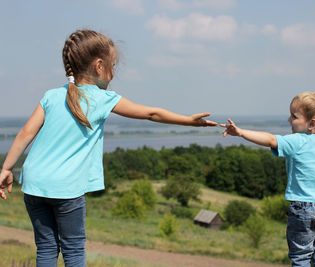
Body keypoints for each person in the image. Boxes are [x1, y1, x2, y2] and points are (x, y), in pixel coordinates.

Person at [0, 29, 217, 267]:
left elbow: (25, 134)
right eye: (113, 65)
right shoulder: (103, 99)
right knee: (73, 250)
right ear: (99, 65)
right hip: (66, 189)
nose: (114, 72)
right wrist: (187, 120)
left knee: (46, 247)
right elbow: (151, 113)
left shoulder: (51, 96)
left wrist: (6, 169)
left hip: (34, 184)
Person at [221, 92, 315, 267]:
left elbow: (270, 140)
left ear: (311, 123)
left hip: (305, 207)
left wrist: (240, 132)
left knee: (301, 257)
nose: (289, 120)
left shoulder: (299, 140)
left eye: (294, 116)